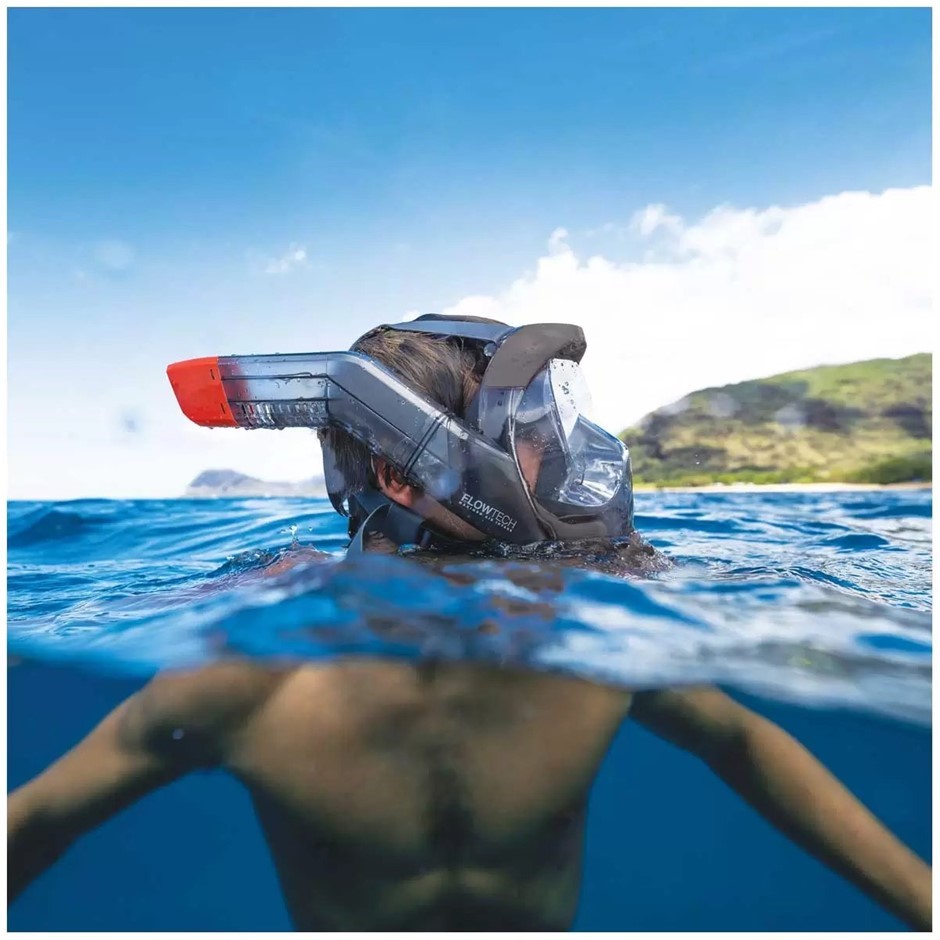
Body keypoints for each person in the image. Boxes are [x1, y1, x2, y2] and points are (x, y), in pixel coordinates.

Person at [8, 318, 932, 930]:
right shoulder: (246, 670)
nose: (563, 455)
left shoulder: (593, 626)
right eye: (531, 432)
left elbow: (741, 741)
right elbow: (36, 819)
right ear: (407, 473)